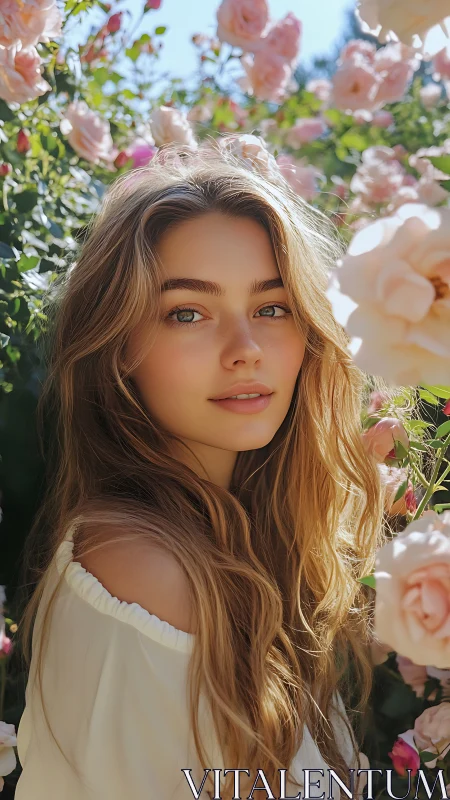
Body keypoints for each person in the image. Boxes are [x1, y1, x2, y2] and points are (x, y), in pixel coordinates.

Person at [14, 135, 386, 799]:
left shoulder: (240, 545)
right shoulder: (145, 575)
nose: (246, 349)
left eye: (272, 308)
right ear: (119, 346)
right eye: (188, 313)